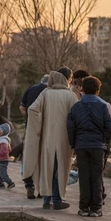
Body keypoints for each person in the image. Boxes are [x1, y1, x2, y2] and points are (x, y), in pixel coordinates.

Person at [22, 68, 78, 210]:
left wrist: (41, 125)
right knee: (61, 169)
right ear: (66, 79)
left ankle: (47, 200)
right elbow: (76, 117)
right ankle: (58, 199)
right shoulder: (70, 96)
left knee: (48, 168)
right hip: (64, 139)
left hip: (47, 138)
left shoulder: (46, 93)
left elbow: (32, 109)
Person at [67, 76, 111, 218]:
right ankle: (96, 208)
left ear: (82, 90)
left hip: (81, 146)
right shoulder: (103, 106)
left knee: (84, 177)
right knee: (97, 177)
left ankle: (83, 207)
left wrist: (73, 144)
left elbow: (71, 127)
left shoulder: (76, 107)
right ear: (97, 90)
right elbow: (109, 126)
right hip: (98, 146)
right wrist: (105, 141)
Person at [19, 74, 49, 199]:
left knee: (29, 156)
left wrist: (30, 119)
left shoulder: (31, 89)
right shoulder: (49, 92)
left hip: (30, 128)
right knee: (43, 158)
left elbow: (22, 107)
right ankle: (42, 188)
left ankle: (29, 185)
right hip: (46, 129)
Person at [0, 123, 15, 189]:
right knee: (0, 172)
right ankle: (1, 182)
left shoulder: (3, 141)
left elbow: (3, 151)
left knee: (3, 173)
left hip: (3, 159)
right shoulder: (0, 139)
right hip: (0, 159)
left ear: (4, 132)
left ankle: (10, 182)